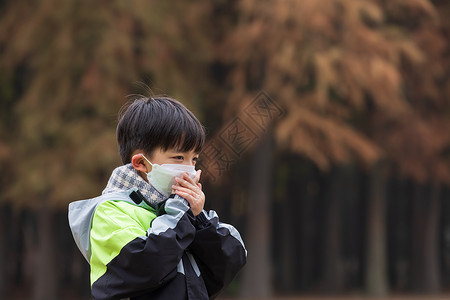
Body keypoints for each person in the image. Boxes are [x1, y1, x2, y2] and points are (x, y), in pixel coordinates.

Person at [68, 96, 247, 300]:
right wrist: (181, 210)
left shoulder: (183, 213)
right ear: (141, 163)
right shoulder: (110, 212)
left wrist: (200, 221)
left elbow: (228, 265)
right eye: (179, 158)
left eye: (194, 159)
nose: (189, 169)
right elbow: (145, 266)